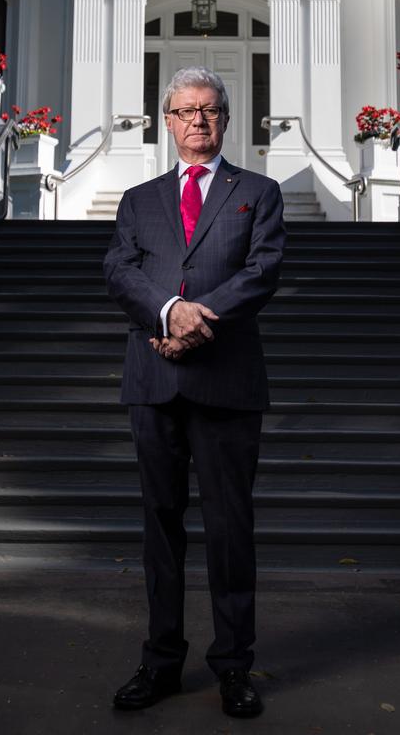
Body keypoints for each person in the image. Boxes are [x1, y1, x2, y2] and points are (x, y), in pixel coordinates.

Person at [103, 66, 286, 718]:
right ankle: (160, 664)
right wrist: (166, 315)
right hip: (154, 381)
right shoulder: (138, 198)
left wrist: (193, 319)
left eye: (210, 109)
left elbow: (262, 272)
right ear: (168, 121)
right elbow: (120, 270)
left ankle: (235, 666)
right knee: (161, 527)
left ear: (226, 119)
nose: (199, 119)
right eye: (186, 110)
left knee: (231, 529)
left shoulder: (258, 193)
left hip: (227, 383)